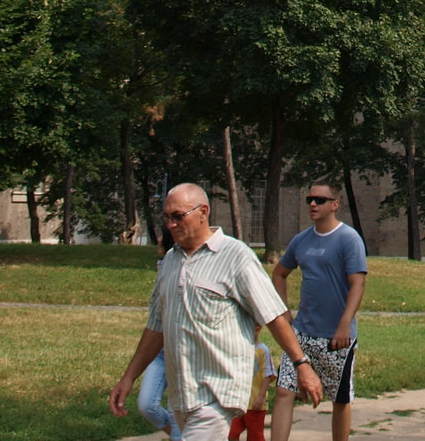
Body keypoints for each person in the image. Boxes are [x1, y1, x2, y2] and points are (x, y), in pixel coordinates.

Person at [111, 184, 322, 441]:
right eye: (167, 217)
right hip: (182, 393)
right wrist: (129, 377)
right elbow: (156, 327)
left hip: (218, 391)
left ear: (203, 212)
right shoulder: (170, 261)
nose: (171, 224)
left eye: (178, 216)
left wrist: (302, 365)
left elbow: (273, 315)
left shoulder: (235, 256)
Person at [270, 181, 368, 441]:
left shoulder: (348, 239)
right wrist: (285, 314)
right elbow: (279, 274)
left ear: (334, 205)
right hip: (302, 332)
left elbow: (358, 283)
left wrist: (344, 324)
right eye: (310, 199)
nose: (313, 204)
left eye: (320, 200)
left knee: (339, 398)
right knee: (284, 391)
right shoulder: (301, 240)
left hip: (337, 336)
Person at [137, 227, 183, 439]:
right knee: (147, 405)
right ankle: (179, 433)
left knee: (177, 413)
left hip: (182, 353)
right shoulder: (166, 265)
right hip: (160, 350)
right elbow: (155, 318)